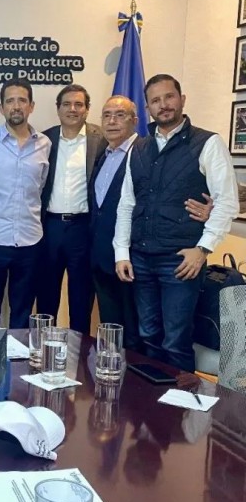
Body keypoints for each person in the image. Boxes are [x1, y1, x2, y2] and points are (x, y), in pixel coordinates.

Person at [114, 74, 238, 371]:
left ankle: (182, 399)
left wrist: (203, 249)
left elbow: (227, 202)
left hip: (181, 260)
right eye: (155, 100)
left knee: (176, 340)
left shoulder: (207, 143)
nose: (164, 105)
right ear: (148, 108)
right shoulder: (138, 148)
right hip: (141, 258)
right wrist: (121, 252)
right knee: (148, 334)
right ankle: (156, 396)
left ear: (182, 99)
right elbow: (127, 203)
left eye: (169, 97)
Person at [91, 95, 213, 350]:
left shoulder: (147, 152)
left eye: (120, 115)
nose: (112, 121)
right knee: (112, 331)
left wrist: (211, 209)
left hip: (138, 259)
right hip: (105, 258)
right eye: (107, 115)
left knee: (140, 334)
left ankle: (139, 376)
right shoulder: (103, 153)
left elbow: (179, 190)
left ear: (135, 120)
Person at [0, 79, 50, 329]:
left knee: (23, 312)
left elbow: (41, 187)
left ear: (31, 106)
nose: (16, 106)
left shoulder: (45, 144)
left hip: (30, 241)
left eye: (22, 100)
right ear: (1, 108)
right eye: (10, 101)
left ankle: (19, 356)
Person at [37, 85, 106, 334]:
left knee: (81, 298)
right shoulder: (44, 140)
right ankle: (43, 348)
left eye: (79, 104)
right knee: (46, 295)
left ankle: (79, 352)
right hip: (50, 226)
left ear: (87, 109)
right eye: (66, 104)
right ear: (58, 109)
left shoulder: (101, 140)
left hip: (83, 228)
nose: (72, 109)